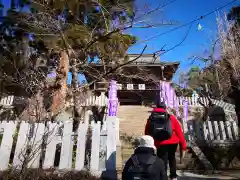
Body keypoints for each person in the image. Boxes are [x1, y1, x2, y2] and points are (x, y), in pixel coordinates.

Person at [145, 101, 187, 180]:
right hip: (173, 142)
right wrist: (183, 145)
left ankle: (163, 177)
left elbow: (147, 131)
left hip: (159, 143)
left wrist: (150, 144)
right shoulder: (171, 118)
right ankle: (173, 177)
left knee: (161, 160)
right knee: (172, 158)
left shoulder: (151, 117)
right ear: (165, 108)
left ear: (156, 107)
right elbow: (179, 132)